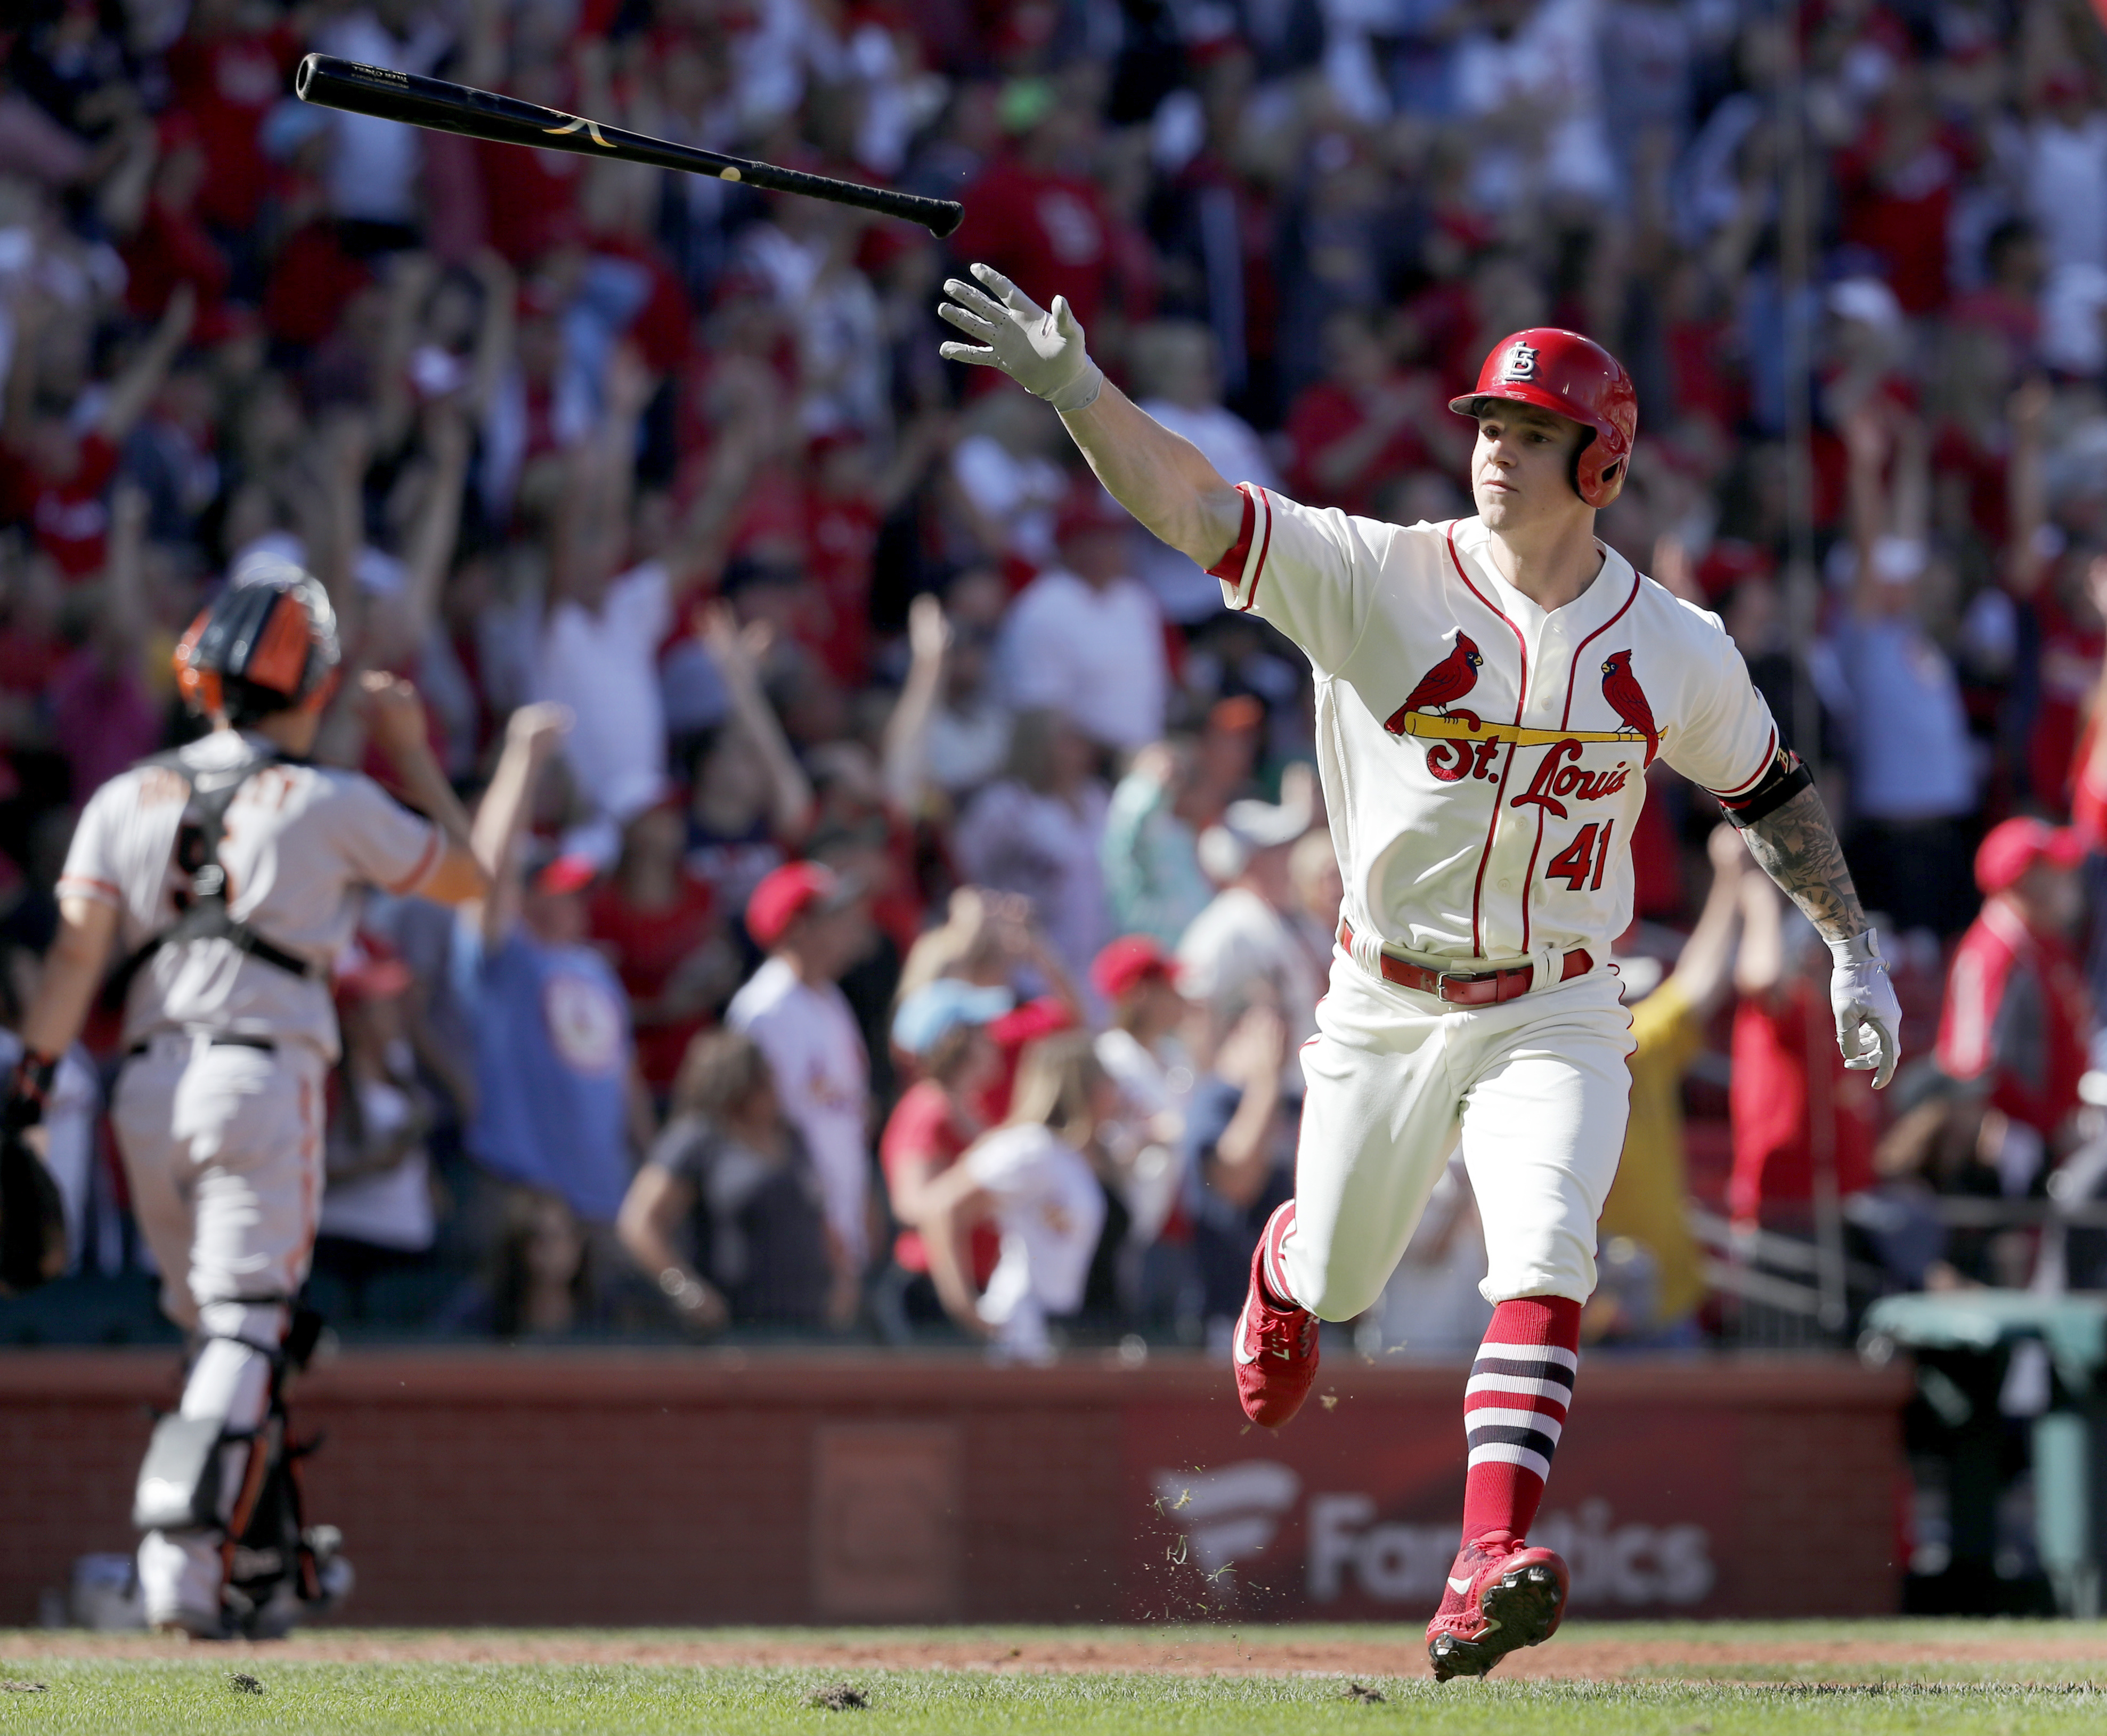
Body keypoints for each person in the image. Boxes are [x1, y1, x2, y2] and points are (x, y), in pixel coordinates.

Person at [937, 271, 1902, 1676]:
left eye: (1529, 429)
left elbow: (1769, 790)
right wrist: (1081, 393)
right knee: (1335, 1277)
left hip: (1563, 998)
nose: (1494, 448)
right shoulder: (1382, 574)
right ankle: (1280, 1273)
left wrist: (1850, 943)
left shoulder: (1673, 646)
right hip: (1384, 997)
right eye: (1487, 424)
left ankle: (1480, 1559)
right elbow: (1198, 508)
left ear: (1602, 463)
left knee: (1546, 1249)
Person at [9, 564, 489, 1636]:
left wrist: (26, 1094)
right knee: (246, 1324)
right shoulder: (332, 800)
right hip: (260, 1077)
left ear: (197, 680)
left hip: (141, 1086)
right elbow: (470, 879)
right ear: (312, 686)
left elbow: (75, 965)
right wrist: (411, 750)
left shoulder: (120, 796)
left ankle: (250, 1559)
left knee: (212, 1333)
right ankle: (174, 1562)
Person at [455, 709, 647, 1234]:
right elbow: (488, 875)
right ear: (527, 899)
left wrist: (645, 1155)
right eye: (559, 892)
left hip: (602, 1198)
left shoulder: (595, 968)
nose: (575, 904)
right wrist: (523, 759)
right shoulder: (507, 959)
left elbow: (622, 1074)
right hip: (522, 1192)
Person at [617, 1029, 836, 1334]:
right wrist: (685, 1291)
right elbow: (639, 1223)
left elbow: (819, 1217)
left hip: (809, 1326)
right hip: (734, 1334)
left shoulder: (792, 1138)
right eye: (762, 1080)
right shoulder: (698, 1140)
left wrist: (844, 1279)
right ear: (735, 1085)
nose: (774, 1089)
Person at [916, 1030, 1111, 1362]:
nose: (1117, 1093)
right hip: (1021, 1324)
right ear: (1085, 1087)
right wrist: (963, 1305)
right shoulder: (1030, 1146)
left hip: (1060, 1325)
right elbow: (939, 1208)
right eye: (1108, 1082)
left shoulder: (1073, 1154)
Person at [726, 861, 876, 1292]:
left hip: (839, 1218)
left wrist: (861, 1199)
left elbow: (845, 1110)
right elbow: (765, 1128)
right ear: (797, 929)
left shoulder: (830, 1000)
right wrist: (823, 1228)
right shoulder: (765, 1009)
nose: (852, 926)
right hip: (794, 1228)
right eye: (836, 916)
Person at [1935, 818, 2093, 1169]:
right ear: (2023, 881)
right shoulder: (1992, 953)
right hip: (2014, 1146)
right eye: (2055, 871)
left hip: (2056, 1134)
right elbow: (1973, 1067)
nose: (2068, 879)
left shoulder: (2045, 944)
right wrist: (2047, 1129)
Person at [877, 977, 1012, 1334]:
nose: (994, 1038)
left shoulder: (965, 1108)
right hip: (932, 1292)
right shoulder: (929, 1109)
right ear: (954, 1043)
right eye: (981, 1031)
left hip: (972, 1285)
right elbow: (910, 1204)